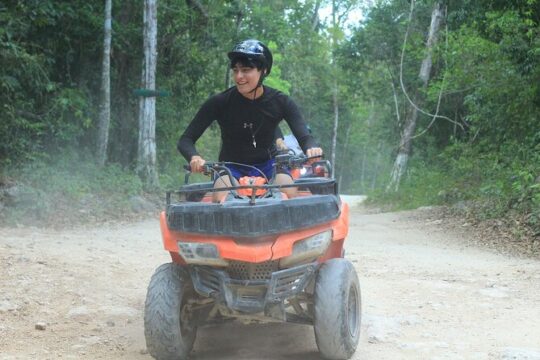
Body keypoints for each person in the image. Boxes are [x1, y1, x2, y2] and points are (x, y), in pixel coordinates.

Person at [177, 39, 323, 202]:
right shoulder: (219, 102)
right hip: (229, 167)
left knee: (289, 191)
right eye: (235, 70)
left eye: (246, 70)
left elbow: (304, 137)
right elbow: (186, 139)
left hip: (271, 165)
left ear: (264, 71)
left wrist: (311, 149)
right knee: (220, 196)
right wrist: (194, 157)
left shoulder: (281, 102)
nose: (239, 76)